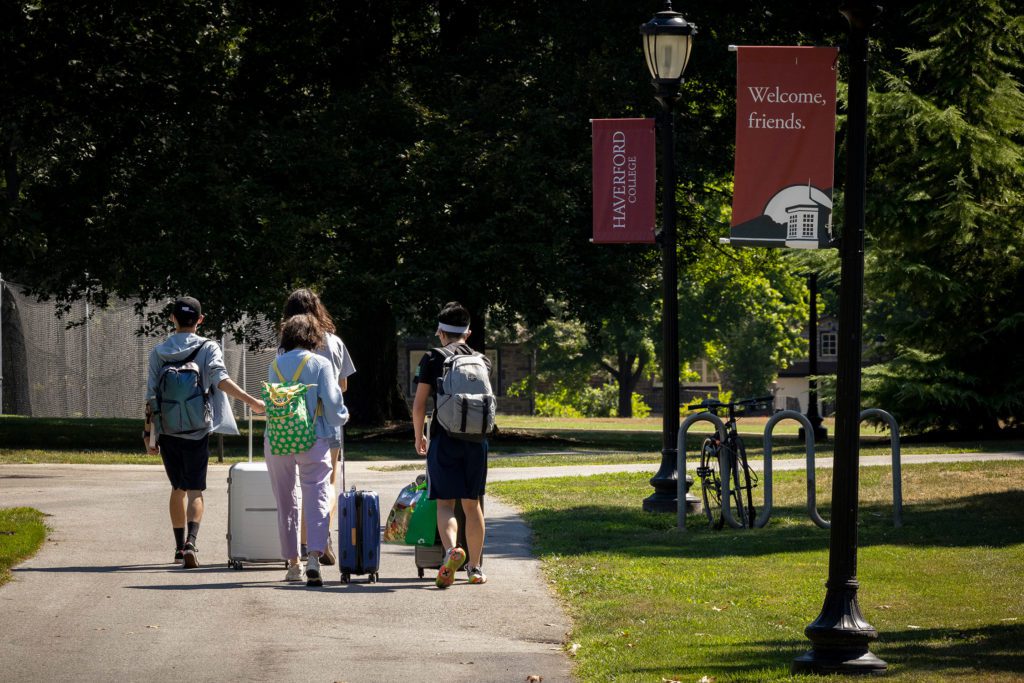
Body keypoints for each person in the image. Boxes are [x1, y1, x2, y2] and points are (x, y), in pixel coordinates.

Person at [144, 296, 265, 569]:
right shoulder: (208, 347)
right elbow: (221, 380)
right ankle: (191, 543)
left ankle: (177, 548)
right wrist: (252, 402)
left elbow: (151, 396)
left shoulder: (159, 352)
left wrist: (148, 435)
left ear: (172, 319)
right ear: (200, 320)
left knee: (177, 488)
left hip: (169, 431)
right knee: (196, 490)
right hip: (198, 430)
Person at [265, 313, 349, 587]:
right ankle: (314, 557)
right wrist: (343, 416)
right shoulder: (320, 364)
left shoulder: (275, 365)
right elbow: (335, 409)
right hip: (313, 438)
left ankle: (292, 563)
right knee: (317, 495)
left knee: (286, 500)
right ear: (313, 337)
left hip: (278, 439)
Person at [412, 301, 488, 587]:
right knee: (472, 505)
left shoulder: (432, 358)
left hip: (443, 438)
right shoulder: (482, 360)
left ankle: (450, 553)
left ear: (440, 332)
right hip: (476, 440)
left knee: (445, 503)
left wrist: (419, 434)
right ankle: (476, 567)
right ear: (467, 333)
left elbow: (419, 405)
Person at [279, 288, 357, 565]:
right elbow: (343, 385)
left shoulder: (284, 347)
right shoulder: (334, 342)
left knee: (295, 489)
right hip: (326, 425)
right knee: (327, 484)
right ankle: (321, 540)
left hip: (288, 425)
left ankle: (300, 546)